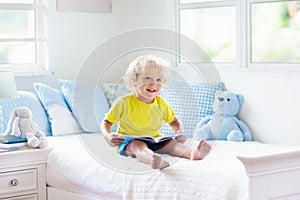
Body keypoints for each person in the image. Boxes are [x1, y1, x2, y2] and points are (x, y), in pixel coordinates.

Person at [101, 55, 211, 169]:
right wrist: (107, 136)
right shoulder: (123, 103)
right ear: (134, 80)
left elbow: (174, 121)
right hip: (129, 141)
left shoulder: (161, 103)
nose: (154, 83)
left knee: (171, 144)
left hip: (154, 139)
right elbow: (106, 122)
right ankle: (151, 158)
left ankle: (193, 153)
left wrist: (179, 131)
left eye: (158, 80)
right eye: (148, 78)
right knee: (137, 146)